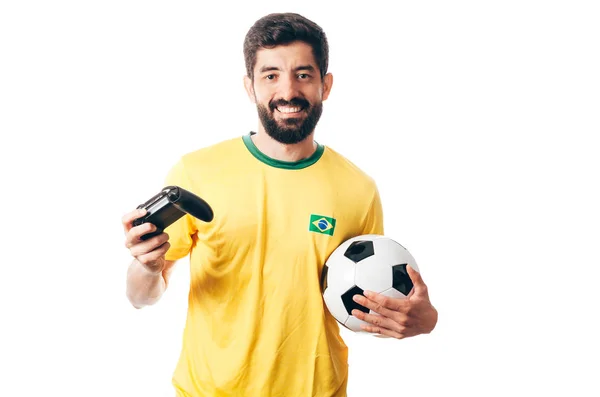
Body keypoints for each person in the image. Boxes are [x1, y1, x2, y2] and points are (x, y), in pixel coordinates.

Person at [121, 12, 438, 397]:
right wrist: (147, 267)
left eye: (303, 74)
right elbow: (141, 297)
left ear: (326, 84)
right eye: (270, 75)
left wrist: (422, 320)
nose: (288, 91)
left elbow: (370, 302)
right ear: (249, 87)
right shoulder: (196, 172)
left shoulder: (359, 188)